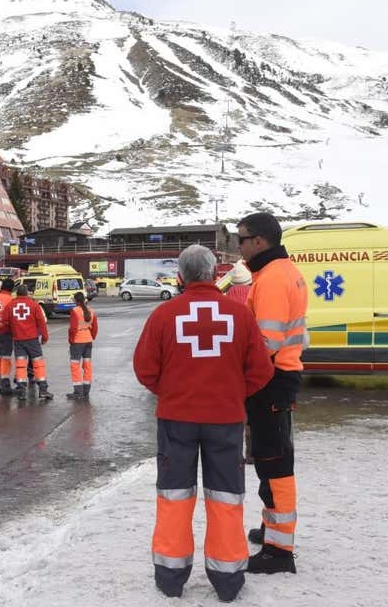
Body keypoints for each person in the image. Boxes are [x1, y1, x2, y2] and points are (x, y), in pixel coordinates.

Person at [134, 245, 274, 601]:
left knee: (174, 496)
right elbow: (261, 370)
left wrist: (172, 392)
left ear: (180, 277)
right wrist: (232, 393)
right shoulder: (239, 315)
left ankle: (170, 577)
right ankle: (228, 581)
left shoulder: (165, 315)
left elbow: (145, 369)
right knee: (226, 498)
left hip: (176, 420)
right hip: (225, 421)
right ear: (215, 274)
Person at [235, 212, 308, 574]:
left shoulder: (274, 279)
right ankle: (271, 530)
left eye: (242, 240)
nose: (240, 247)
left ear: (259, 242)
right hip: (279, 377)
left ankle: (279, 552)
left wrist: (238, 372)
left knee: (275, 463)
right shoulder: (279, 272)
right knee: (270, 459)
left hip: (272, 379)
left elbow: (266, 342)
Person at [4, 283, 51, 401]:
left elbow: (5, 322)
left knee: (21, 365)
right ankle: (43, 390)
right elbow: (41, 323)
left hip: (18, 340)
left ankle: (21, 390)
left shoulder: (10, 305)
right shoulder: (34, 305)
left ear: (17, 293)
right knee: (38, 364)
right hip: (32, 340)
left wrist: (12, 331)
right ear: (26, 293)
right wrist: (44, 337)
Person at [67, 291, 98, 400]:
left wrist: (71, 341)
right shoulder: (91, 311)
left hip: (77, 341)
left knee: (75, 366)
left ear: (76, 300)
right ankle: (86, 391)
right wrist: (91, 337)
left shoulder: (75, 311)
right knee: (87, 366)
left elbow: (73, 328)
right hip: (88, 341)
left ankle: (77, 391)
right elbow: (95, 328)